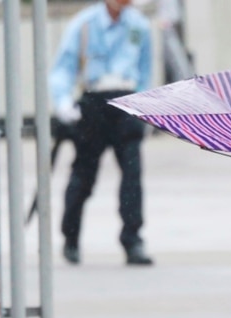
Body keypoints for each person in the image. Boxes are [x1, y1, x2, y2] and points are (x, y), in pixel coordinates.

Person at [50, 0, 155, 266]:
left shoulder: (139, 26)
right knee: (83, 174)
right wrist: (63, 102)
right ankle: (70, 238)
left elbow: (144, 72)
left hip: (127, 103)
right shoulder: (83, 24)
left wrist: (147, 107)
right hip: (94, 102)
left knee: (132, 175)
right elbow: (63, 68)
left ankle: (132, 239)